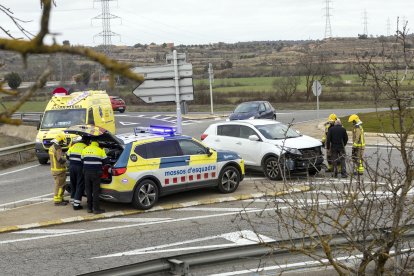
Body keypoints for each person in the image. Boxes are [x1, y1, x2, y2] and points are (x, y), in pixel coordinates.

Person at [81, 139, 107, 214]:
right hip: (96, 173)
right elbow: (106, 161)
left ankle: (89, 208)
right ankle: (96, 209)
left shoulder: (85, 149)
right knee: (95, 191)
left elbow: (82, 160)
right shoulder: (100, 150)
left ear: (91, 143)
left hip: (86, 172)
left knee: (88, 190)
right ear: (97, 144)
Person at [66, 136, 89, 210]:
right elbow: (86, 158)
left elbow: (67, 155)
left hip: (72, 167)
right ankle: (76, 205)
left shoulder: (74, 145)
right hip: (79, 167)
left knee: (73, 183)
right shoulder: (85, 147)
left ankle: (73, 200)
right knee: (80, 184)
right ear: (86, 142)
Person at [48, 132, 68, 206]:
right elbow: (59, 159)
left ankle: (60, 198)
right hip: (59, 170)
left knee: (58, 185)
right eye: (62, 141)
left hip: (54, 169)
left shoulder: (51, 147)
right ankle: (58, 201)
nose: (62, 143)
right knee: (60, 186)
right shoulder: (58, 148)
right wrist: (66, 160)